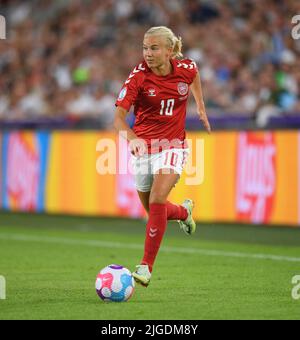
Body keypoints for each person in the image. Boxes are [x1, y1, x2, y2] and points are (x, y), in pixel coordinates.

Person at [114, 26, 211, 287]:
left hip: (173, 145)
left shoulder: (186, 68)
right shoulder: (138, 77)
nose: (148, 53)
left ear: (170, 51)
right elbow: (118, 119)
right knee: (154, 210)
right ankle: (183, 211)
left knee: (157, 199)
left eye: (154, 48)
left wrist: (200, 105)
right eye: (145, 48)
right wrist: (133, 140)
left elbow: (195, 76)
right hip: (144, 149)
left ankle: (145, 266)